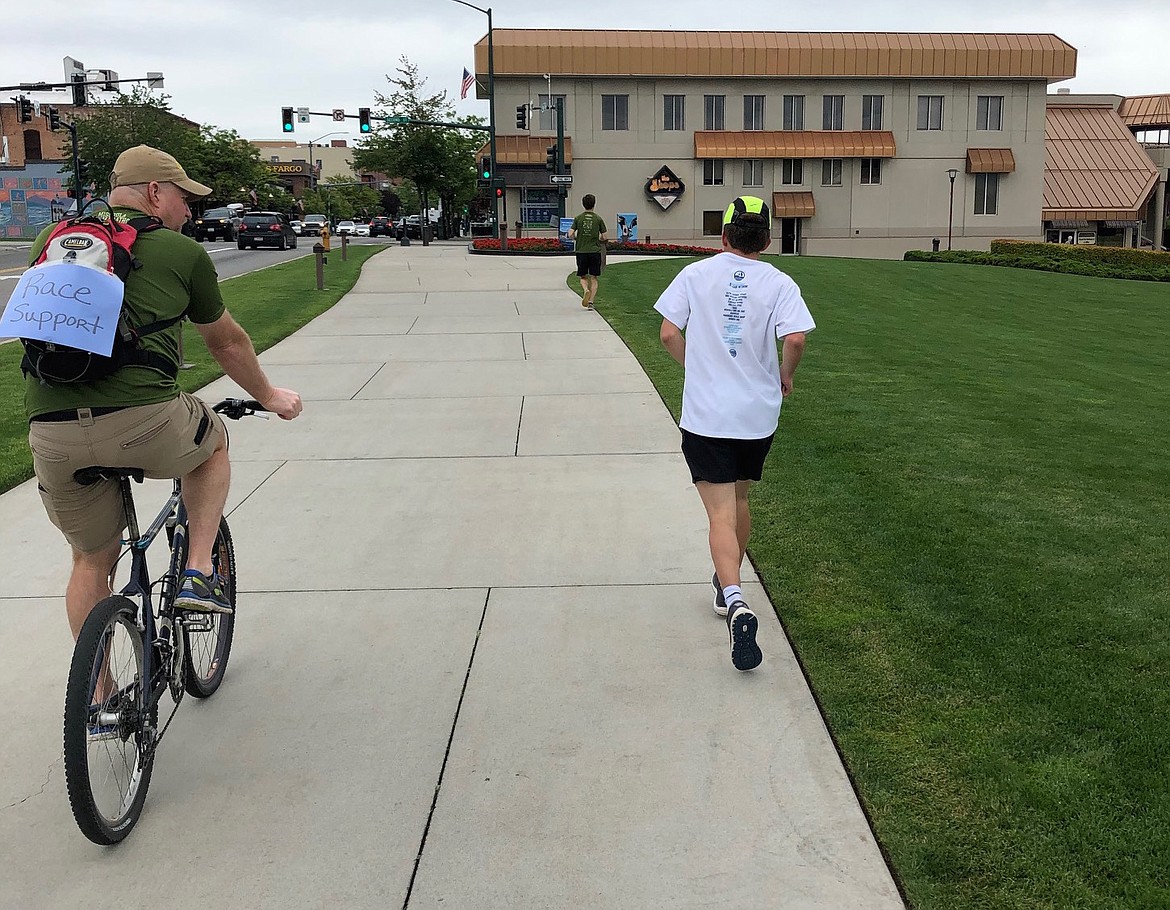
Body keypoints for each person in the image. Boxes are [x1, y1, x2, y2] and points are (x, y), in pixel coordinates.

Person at [24, 145, 303, 640]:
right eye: (183, 199)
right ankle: (197, 572)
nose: (189, 211)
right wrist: (270, 395)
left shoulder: (52, 238)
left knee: (90, 561)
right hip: (143, 421)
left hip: (51, 432)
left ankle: (100, 704)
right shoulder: (182, 252)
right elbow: (227, 342)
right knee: (212, 444)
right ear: (155, 193)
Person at [653, 196, 814, 671]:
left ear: (723, 236)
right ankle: (728, 588)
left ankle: (736, 599)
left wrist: (695, 369)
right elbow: (797, 338)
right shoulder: (780, 282)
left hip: (707, 415)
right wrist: (785, 375)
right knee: (740, 500)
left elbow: (666, 333)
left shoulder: (694, 275)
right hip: (755, 416)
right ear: (765, 238)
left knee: (718, 513)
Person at [568, 194, 608, 309]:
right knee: (594, 277)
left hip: (581, 251)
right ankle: (591, 302)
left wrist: (576, 237)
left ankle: (586, 290)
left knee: (583, 276)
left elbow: (570, 234)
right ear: (594, 204)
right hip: (594, 251)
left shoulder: (578, 218)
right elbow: (604, 236)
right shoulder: (598, 219)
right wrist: (597, 238)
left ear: (583, 204)